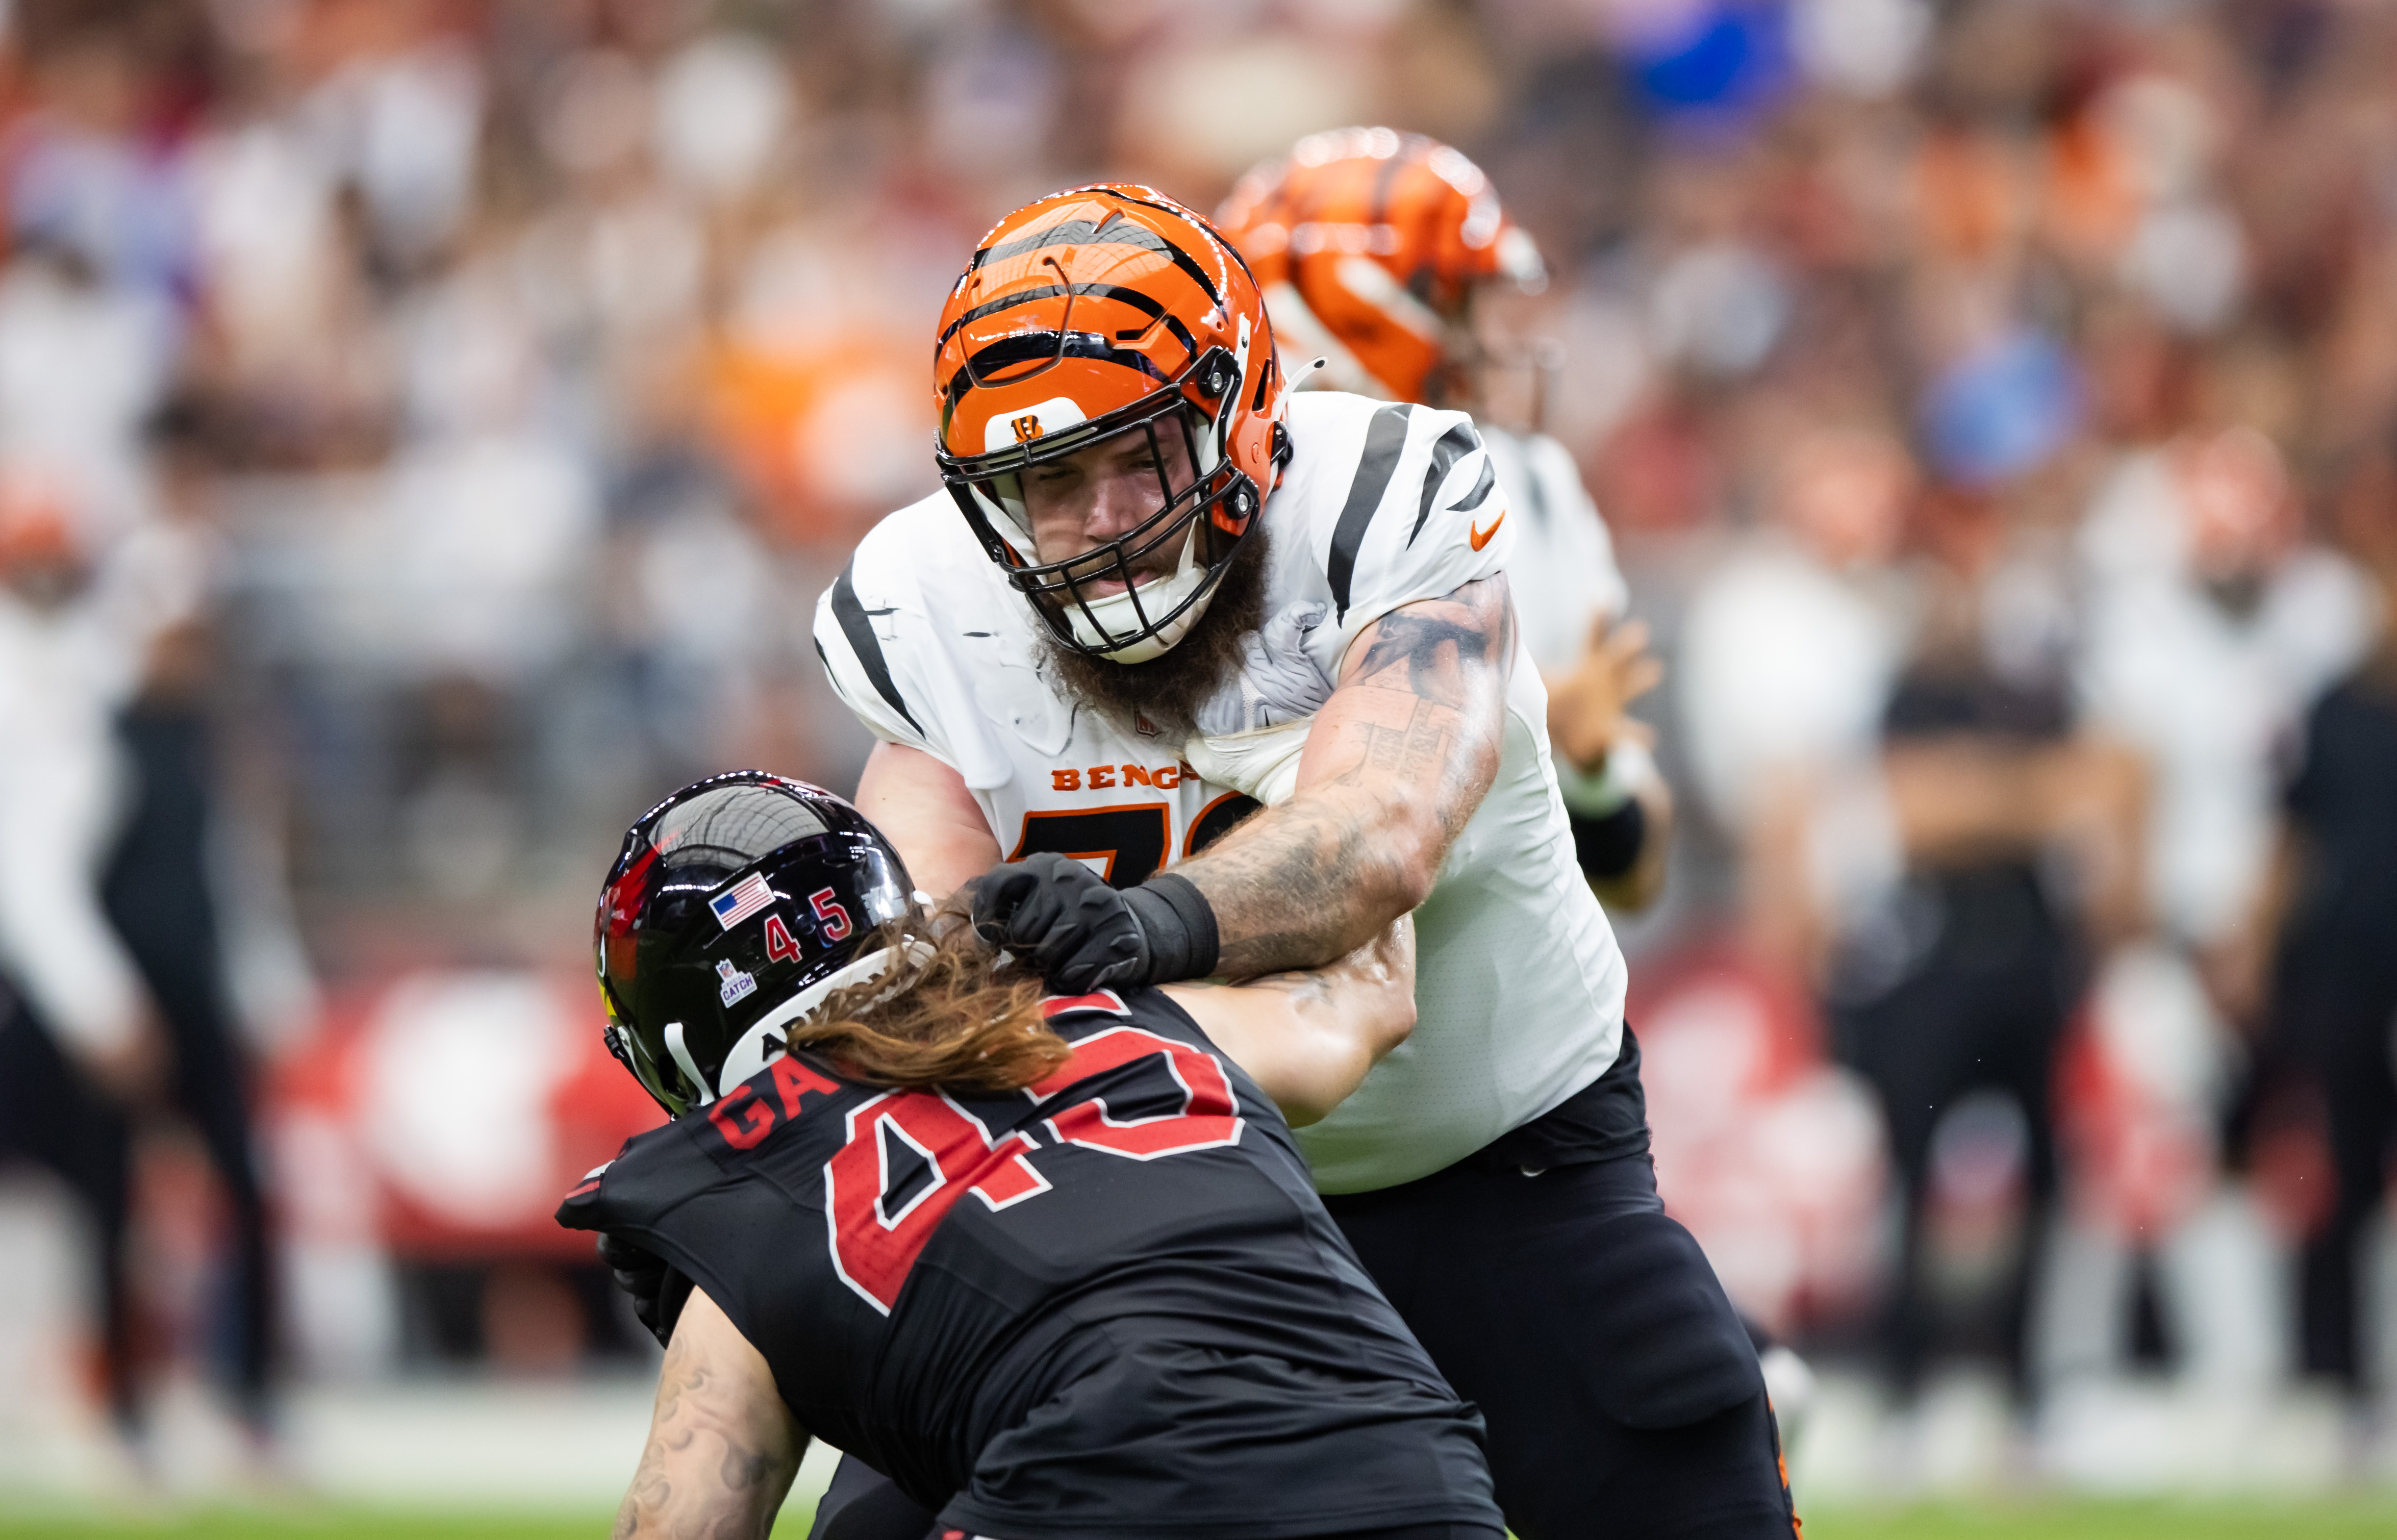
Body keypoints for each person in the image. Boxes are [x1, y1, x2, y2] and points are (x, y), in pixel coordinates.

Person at [810, 184, 1790, 1539]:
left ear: (1242, 421)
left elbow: (1378, 833)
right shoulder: (920, 602)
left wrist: (1141, 929)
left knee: (1677, 1481)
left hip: (1492, 1164)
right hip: (1133, 1196)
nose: (1098, 519)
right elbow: (929, 968)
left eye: (1140, 455)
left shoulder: (1384, 498)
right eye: (1046, 481)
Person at [566, 771, 1502, 1540]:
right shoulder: (1133, 1017)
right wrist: (1177, 906)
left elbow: (682, 1528)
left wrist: (742, 1298)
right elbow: (1373, 984)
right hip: (1411, 1469)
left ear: (673, 1043)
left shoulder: (747, 1198)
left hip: (1093, 1483)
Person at [1215, 128, 1672, 910]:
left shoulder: (1529, 486)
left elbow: (1634, 877)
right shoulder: (1215, 514)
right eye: (1465, 306)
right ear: (1363, 305)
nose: (1493, 343)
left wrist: (1581, 771)